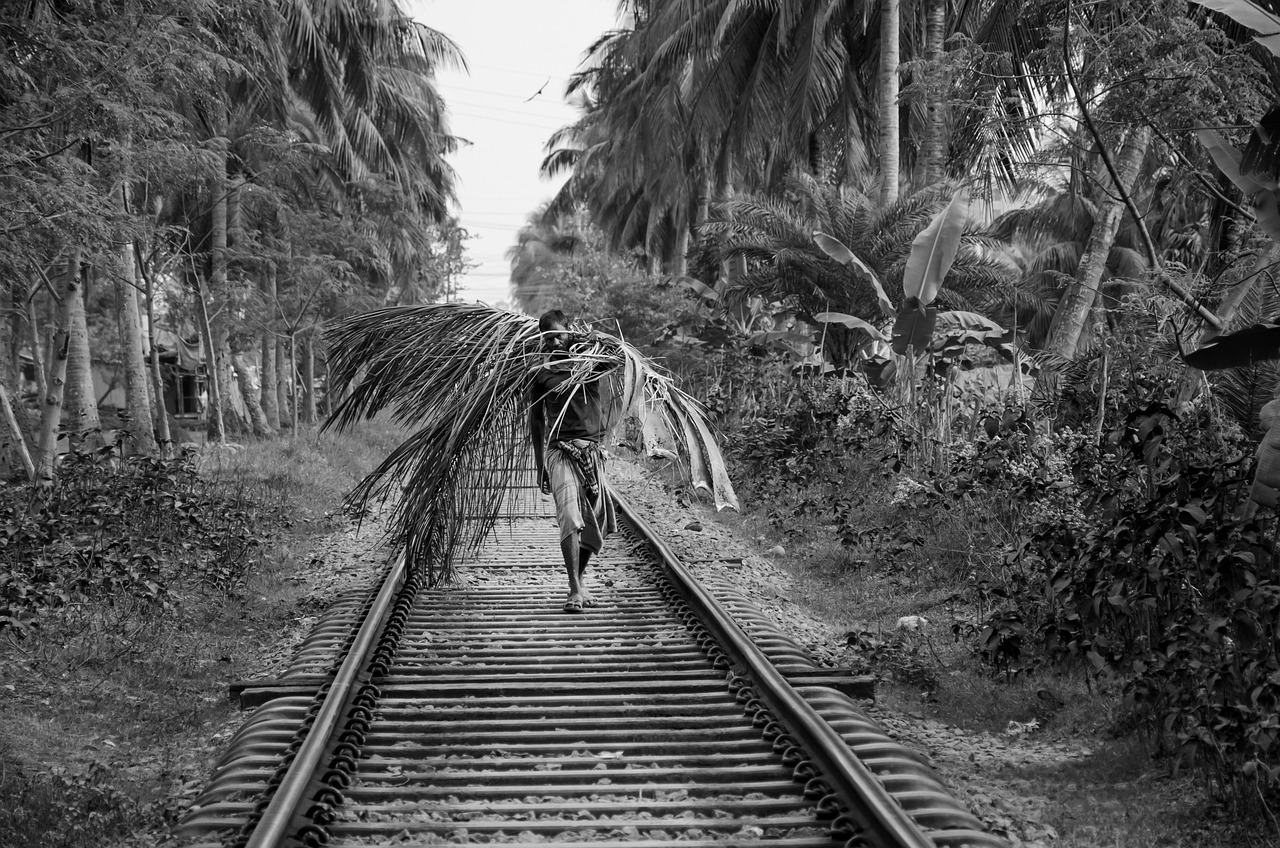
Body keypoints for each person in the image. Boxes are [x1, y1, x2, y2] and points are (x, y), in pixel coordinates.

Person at [528, 309, 618, 613]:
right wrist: (539, 462)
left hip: (591, 451)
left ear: (570, 332)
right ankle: (573, 588)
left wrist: (591, 340)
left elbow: (617, 356)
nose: (554, 340)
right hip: (559, 451)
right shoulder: (540, 373)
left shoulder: (591, 362)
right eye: (548, 336)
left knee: (594, 520)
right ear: (541, 341)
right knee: (569, 515)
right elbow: (536, 421)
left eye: (559, 334)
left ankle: (579, 578)